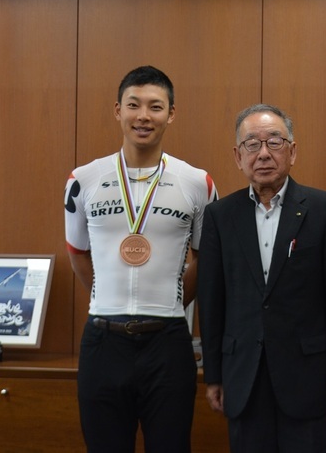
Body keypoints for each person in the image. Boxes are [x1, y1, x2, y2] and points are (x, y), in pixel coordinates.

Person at [64, 65, 217, 453]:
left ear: (171, 113)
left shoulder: (197, 182)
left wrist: (168, 304)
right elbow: (77, 254)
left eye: (155, 106)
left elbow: (205, 258)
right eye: (134, 105)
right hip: (102, 342)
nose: (143, 116)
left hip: (168, 343)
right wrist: (106, 302)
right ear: (118, 110)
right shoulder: (83, 179)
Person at [197, 104, 326, 453]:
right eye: (252, 145)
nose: (264, 154)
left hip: (309, 378)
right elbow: (211, 301)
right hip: (243, 377)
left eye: (275, 142)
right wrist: (214, 374)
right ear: (238, 156)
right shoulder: (219, 216)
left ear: (293, 151)